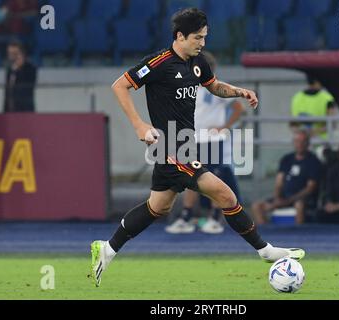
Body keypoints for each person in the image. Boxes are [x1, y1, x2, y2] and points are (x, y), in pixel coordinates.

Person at [89, 8, 304, 287]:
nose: (202, 43)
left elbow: (213, 86)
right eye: (197, 38)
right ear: (179, 36)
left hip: (185, 145)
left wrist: (239, 91)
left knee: (159, 207)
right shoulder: (159, 62)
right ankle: (264, 250)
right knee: (224, 194)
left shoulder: (197, 61)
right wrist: (139, 125)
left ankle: (107, 248)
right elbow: (120, 86)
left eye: (204, 37)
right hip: (169, 146)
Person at [165, 51, 244, 235]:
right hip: (194, 140)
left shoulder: (216, 87)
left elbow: (238, 107)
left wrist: (224, 126)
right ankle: (187, 216)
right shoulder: (187, 87)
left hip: (212, 141)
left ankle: (215, 216)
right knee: (192, 178)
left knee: (215, 178)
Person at [251, 130, 321, 225]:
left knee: (299, 205)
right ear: (293, 142)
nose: (299, 144)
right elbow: (279, 183)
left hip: (302, 199)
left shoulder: (313, 161)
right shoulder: (287, 159)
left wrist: (289, 200)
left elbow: (310, 188)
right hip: (283, 197)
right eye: (297, 141)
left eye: (303, 141)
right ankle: (267, 235)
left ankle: (299, 235)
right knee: (257, 206)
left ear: (308, 143)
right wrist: (277, 198)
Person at [290, 74, 336, 139]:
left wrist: (304, 134)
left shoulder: (296, 97)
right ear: (317, 81)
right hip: (319, 140)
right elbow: (333, 124)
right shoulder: (327, 98)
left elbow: (292, 125)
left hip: (305, 141)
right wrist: (311, 133)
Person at [4, 40, 37, 112]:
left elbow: (28, 88)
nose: (10, 55)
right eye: (9, 53)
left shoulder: (30, 68)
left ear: (21, 53)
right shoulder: (10, 69)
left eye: (13, 53)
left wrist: (19, 69)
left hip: (25, 111)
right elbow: (8, 91)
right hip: (10, 110)